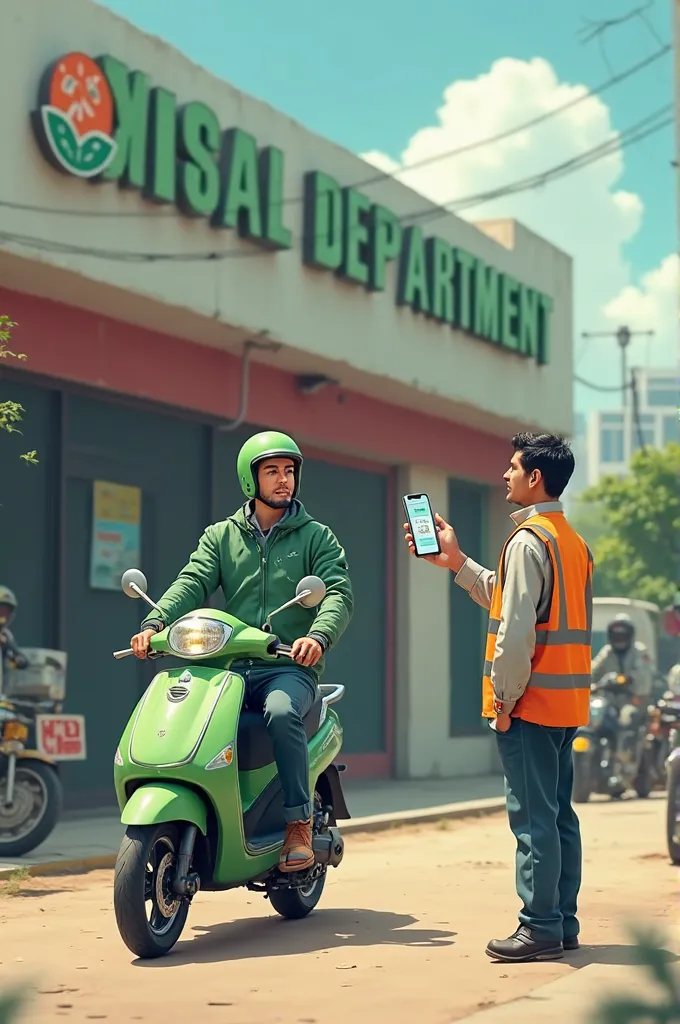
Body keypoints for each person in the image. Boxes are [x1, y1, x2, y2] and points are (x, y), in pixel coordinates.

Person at [403, 433, 593, 963]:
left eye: (512, 468)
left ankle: (538, 927)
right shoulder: (570, 541)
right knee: (558, 817)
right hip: (565, 705)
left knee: (532, 818)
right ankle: (562, 921)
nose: (504, 475)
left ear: (535, 478)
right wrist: (458, 562)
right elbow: (519, 603)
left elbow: (515, 633)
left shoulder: (530, 541)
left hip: (529, 706)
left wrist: (504, 702)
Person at [130, 431, 353, 872]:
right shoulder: (221, 536)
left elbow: (337, 594)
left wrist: (318, 636)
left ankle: (297, 823)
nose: (283, 480)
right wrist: (156, 622)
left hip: (287, 666)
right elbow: (192, 581)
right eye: (272, 471)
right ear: (250, 480)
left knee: (281, 710)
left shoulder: (316, 537)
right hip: (227, 666)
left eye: (289, 471)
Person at [591, 614, 653, 701]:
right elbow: (594, 670)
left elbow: (643, 674)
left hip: (635, 699)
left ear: (630, 635)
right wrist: (592, 684)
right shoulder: (607, 651)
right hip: (609, 700)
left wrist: (627, 679)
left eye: (623, 635)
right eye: (616, 635)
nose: (619, 639)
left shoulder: (640, 651)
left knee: (630, 713)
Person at [0, 586, 28, 678]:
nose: (3, 616)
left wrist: (13, 661)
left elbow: (23, 662)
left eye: (6, 612)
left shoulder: (6, 635)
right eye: (1, 610)